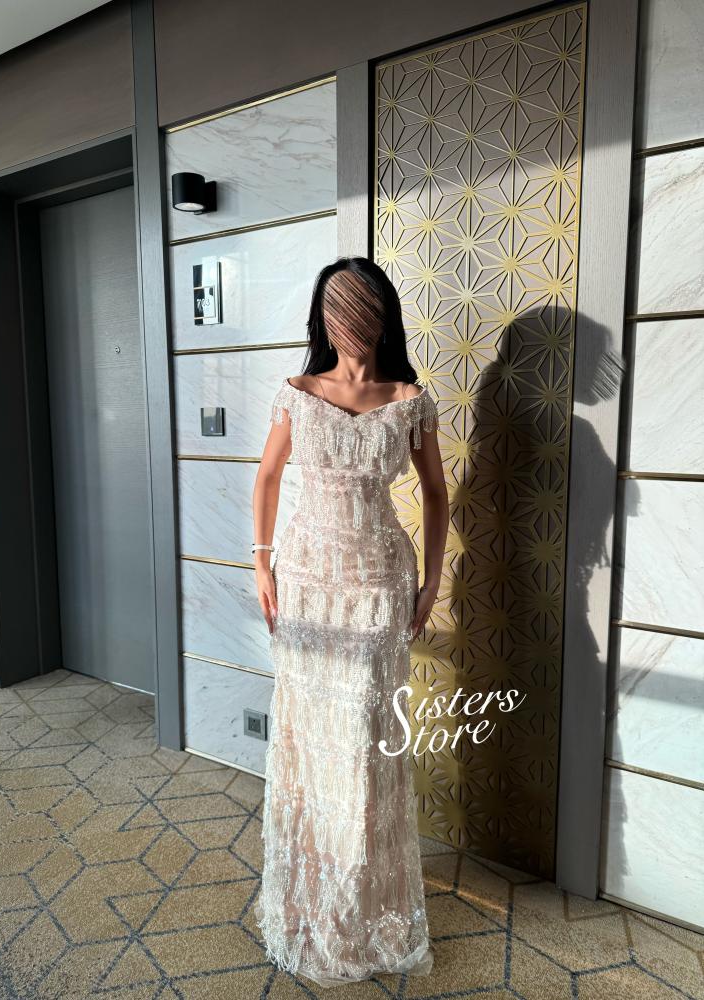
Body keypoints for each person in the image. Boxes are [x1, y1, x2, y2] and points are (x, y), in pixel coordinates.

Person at [251, 256, 448, 987]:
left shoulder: (410, 401)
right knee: (308, 740)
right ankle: (307, 904)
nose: (350, 324)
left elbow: (436, 493)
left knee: (364, 747)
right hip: (307, 583)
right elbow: (268, 477)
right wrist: (262, 562)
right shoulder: (299, 394)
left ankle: (364, 911)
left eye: (362, 309)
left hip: (378, 586)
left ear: (381, 317)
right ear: (324, 319)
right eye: (338, 310)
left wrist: (432, 581)